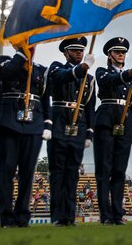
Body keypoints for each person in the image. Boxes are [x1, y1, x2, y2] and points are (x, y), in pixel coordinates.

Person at [0, 50, 50, 227]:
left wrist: (47, 123)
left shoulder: (41, 70)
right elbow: (6, 73)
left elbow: (45, 97)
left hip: (34, 122)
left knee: (28, 172)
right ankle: (7, 216)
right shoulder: (5, 63)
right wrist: (21, 56)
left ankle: (22, 215)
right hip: (9, 121)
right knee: (7, 171)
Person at [45, 37, 96, 227]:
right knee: (58, 171)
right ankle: (58, 215)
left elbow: (90, 106)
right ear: (65, 52)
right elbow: (59, 77)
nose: (79, 53)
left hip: (79, 124)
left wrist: (90, 132)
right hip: (59, 121)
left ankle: (70, 215)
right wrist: (81, 69)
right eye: (74, 50)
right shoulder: (57, 67)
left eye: (81, 51)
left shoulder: (89, 79)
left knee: (73, 172)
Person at [94, 37, 132, 225]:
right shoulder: (102, 72)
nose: (121, 54)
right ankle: (105, 214)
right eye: (117, 52)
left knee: (119, 171)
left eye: (123, 52)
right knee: (104, 169)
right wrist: (130, 72)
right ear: (110, 55)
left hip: (126, 121)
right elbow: (109, 81)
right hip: (106, 119)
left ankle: (117, 212)